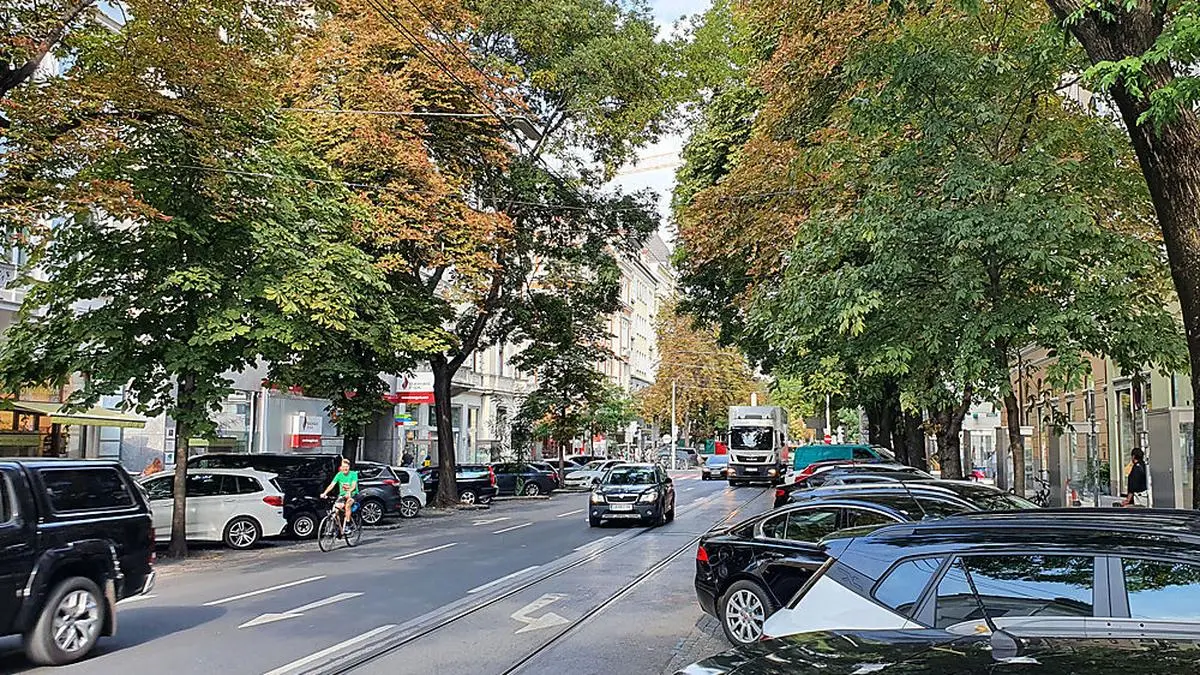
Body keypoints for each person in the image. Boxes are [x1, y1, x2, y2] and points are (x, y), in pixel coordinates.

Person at [321, 458, 359, 533]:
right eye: (343, 466)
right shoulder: (339, 475)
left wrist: (349, 491)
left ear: (349, 467)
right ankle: (339, 528)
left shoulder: (353, 474)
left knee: (348, 505)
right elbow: (332, 485)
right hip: (342, 496)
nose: (345, 468)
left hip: (353, 495)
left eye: (346, 466)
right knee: (336, 510)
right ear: (341, 468)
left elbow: (354, 486)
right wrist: (325, 493)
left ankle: (348, 525)